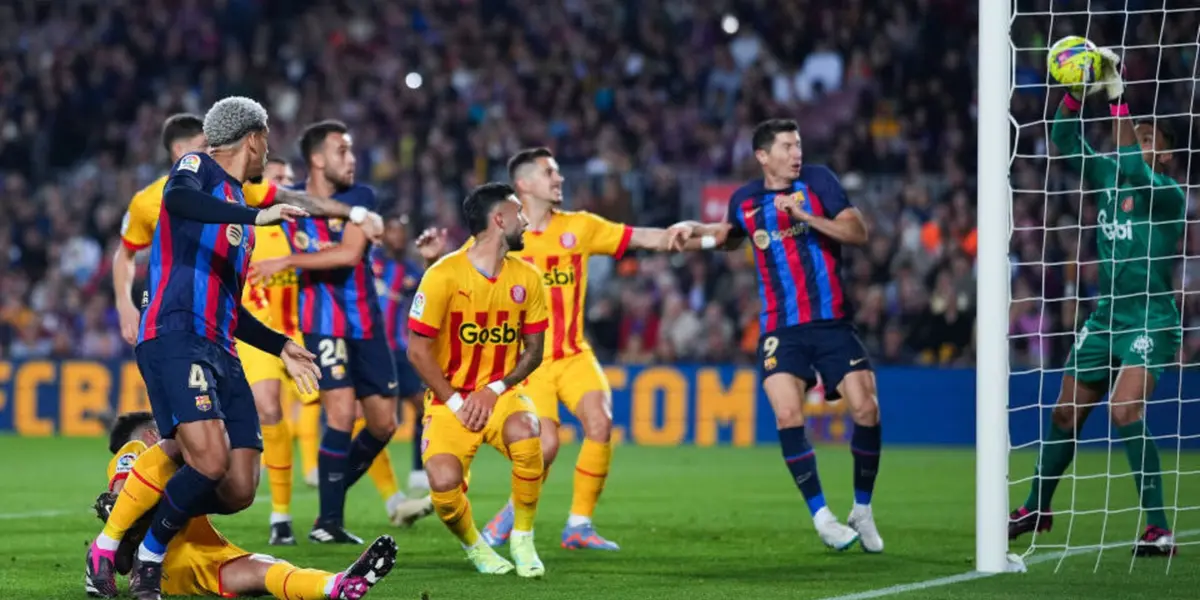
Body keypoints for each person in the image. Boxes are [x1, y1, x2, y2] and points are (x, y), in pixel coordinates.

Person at [87, 96, 321, 600]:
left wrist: (280, 345)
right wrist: (255, 215)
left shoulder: (237, 217)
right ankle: (139, 553)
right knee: (209, 461)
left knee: (237, 487)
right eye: (267, 142)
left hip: (221, 346)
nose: (268, 152)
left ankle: (133, 520)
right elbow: (177, 201)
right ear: (253, 138)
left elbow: (232, 307)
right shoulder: (197, 166)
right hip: (175, 334)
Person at [479, 147, 717, 551]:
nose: (560, 179)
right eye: (550, 173)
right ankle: (509, 515)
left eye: (557, 171)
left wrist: (692, 234)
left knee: (601, 421)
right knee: (546, 446)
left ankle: (578, 525)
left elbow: (641, 237)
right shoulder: (505, 235)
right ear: (524, 184)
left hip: (572, 353)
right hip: (529, 362)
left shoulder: (580, 227)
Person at [1009, 48, 1181, 556]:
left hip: (1151, 318)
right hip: (1105, 317)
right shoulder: (1109, 172)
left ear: (1165, 155)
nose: (1139, 142)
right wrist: (1077, 90)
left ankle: (1158, 527)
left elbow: (1131, 160)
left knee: (1125, 409)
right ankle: (1037, 505)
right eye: (1138, 134)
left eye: (1150, 139)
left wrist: (1117, 95)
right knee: (1065, 415)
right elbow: (1063, 137)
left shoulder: (1166, 193)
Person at [685, 118, 884, 553]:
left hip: (832, 322)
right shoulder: (745, 199)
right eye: (788, 146)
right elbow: (730, 238)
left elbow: (858, 232)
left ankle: (862, 509)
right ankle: (823, 518)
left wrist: (806, 217)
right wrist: (695, 232)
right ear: (763, 156)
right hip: (781, 327)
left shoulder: (818, 181)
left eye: (798, 145)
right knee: (788, 416)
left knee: (867, 409)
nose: (797, 153)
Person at [252, 120, 398, 543]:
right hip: (321, 325)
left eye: (351, 152)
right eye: (342, 151)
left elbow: (350, 254)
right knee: (340, 414)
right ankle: (328, 522)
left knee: (383, 424)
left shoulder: (361, 197)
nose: (352, 160)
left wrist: (287, 262)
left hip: (366, 324)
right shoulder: (292, 200)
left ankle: (331, 493)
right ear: (317, 159)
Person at [92, 412, 397, 600]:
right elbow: (119, 494)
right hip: (162, 558)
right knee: (263, 571)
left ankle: (334, 586)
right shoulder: (136, 452)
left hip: (187, 565)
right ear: (151, 436)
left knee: (264, 572)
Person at [406, 182, 549, 577]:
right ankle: (477, 547)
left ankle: (522, 538)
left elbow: (533, 352)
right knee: (443, 482)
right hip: (449, 400)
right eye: (519, 212)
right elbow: (417, 351)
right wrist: (455, 402)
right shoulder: (443, 275)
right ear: (499, 219)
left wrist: (495, 388)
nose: (526, 220)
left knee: (527, 429)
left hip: (500, 394)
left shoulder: (529, 278)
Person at [239, 155, 320, 546]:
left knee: (336, 405)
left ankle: (383, 500)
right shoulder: (240, 225)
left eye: (289, 179)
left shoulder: (299, 228)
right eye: (278, 179)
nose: (286, 186)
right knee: (270, 407)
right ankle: (281, 516)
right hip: (256, 334)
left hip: (298, 331)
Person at [371, 216, 449, 496]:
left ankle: (418, 469)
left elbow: (432, 294)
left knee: (422, 405)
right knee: (374, 417)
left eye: (403, 232)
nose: (398, 236)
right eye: (393, 230)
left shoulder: (413, 271)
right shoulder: (371, 263)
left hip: (401, 349)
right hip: (373, 349)